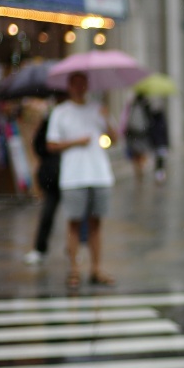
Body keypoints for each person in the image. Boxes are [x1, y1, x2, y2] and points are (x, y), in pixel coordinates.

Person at [46, 71, 117, 289]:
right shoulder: (61, 112)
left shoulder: (97, 108)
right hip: (73, 176)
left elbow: (115, 139)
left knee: (96, 224)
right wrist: (76, 142)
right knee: (74, 224)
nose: (79, 88)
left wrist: (106, 118)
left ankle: (96, 268)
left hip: (99, 173)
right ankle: (74, 270)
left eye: (83, 83)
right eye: (75, 84)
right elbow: (51, 144)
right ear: (69, 86)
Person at [23, 99, 63, 265]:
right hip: (53, 173)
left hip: (71, 172)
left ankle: (74, 249)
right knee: (49, 211)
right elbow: (40, 148)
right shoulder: (47, 122)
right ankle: (40, 248)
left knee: (76, 215)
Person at [121, 93, 153, 181]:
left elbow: (125, 120)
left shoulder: (131, 106)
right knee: (142, 153)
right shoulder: (146, 106)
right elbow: (150, 122)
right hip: (142, 135)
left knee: (135, 155)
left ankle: (138, 171)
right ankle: (141, 168)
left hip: (133, 135)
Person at [148, 100, 169, 182]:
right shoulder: (162, 123)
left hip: (157, 145)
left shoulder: (153, 123)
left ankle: (159, 174)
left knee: (158, 160)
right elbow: (165, 134)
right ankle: (160, 174)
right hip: (162, 145)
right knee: (161, 161)